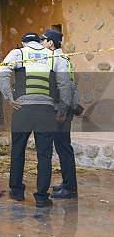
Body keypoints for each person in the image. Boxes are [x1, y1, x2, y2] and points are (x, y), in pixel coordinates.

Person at [0, 31, 72, 207]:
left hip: (23, 109)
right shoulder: (52, 56)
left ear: (24, 43)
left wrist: (9, 96)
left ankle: (16, 191)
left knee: (18, 151)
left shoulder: (18, 53)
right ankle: (42, 197)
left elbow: (2, 72)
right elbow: (64, 83)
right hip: (46, 111)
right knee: (44, 155)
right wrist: (63, 107)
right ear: (40, 42)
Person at [41, 28, 78, 199]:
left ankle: (70, 188)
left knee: (63, 147)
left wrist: (62, 110)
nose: (42, 42)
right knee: (62, 146)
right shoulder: (59, 58)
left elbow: (64, 85)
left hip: (62, 110)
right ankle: (67, 182)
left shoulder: (58, 59)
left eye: (44, 39)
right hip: (61, 108)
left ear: (51, 43)